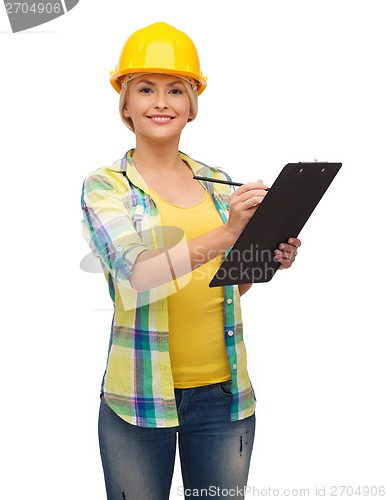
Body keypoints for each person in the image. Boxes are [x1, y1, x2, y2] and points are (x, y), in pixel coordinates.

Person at [81, 21, 301, 500]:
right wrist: (226, 234)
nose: (161, 102)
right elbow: (138, 276)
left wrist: (264, 257)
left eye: (175, 90)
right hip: (138, 402)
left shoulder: (217, 181)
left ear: (191, 105)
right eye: (146, 89)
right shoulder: (107, 186)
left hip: (224, 399)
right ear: (125, 104)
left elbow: (228, 286)